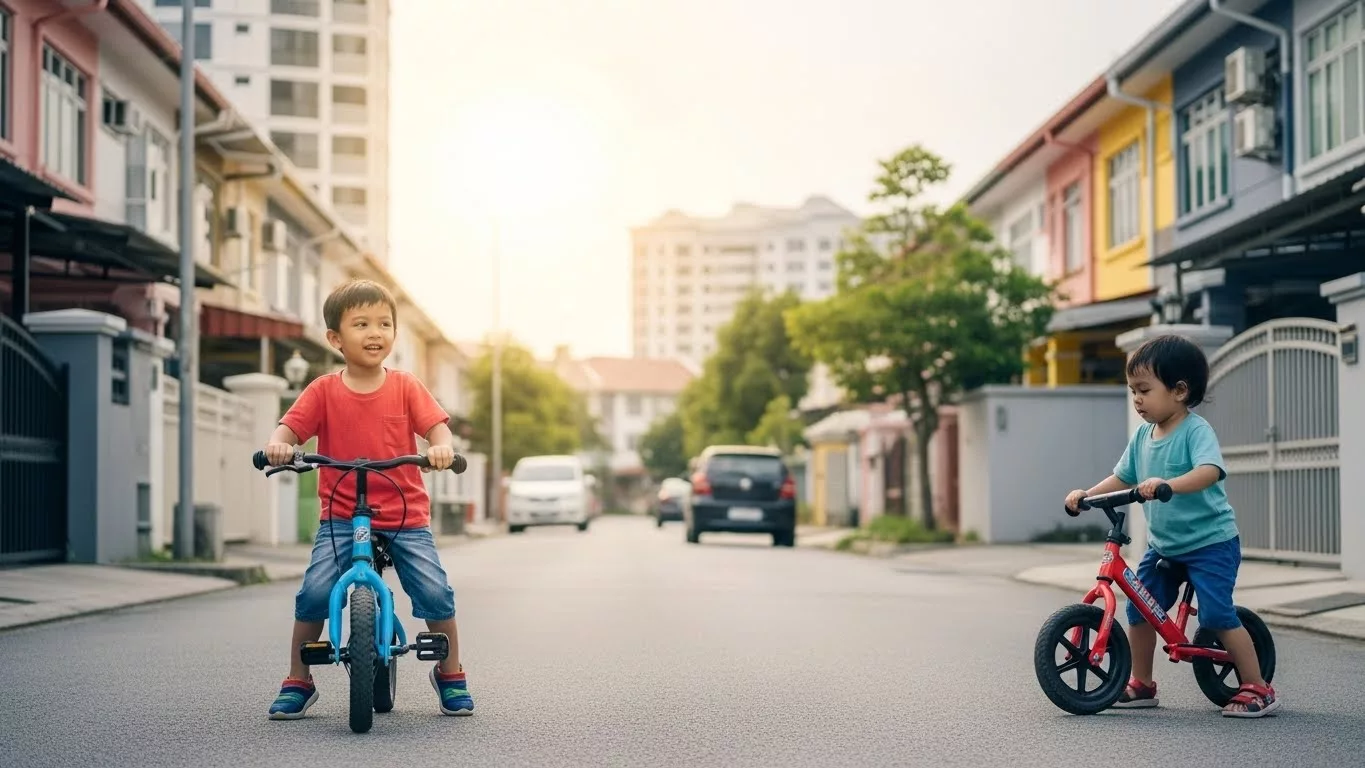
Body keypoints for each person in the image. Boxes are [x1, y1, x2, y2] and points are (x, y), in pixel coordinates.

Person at [262, 279, 474, 720]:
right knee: (314, 592)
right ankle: (299, 678)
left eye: (384, 323)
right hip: (342, 516)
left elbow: (437, 429)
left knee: (435, 591)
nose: (375, 332)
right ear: (335, 338)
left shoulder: (406, 386)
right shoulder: (322, 390)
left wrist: (441, 448)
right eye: (361, 324)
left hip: (403, 514)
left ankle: (450, 672)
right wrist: (279, 445)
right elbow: (289, 429)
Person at [1064, 334, 1279, 719]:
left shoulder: (1195, 431)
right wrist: (1087, 494)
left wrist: (1168, 484)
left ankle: (1258, 687)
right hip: (1165, 546)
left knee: (1216, 616)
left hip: (1210, 544)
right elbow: (1122, 476)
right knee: (1139, 610)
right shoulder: (1142, 436)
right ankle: (1142, 684)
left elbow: (1209, 471)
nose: (1137, 399)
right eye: (1133, 391)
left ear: (1179, 391)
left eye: (1145, 390)